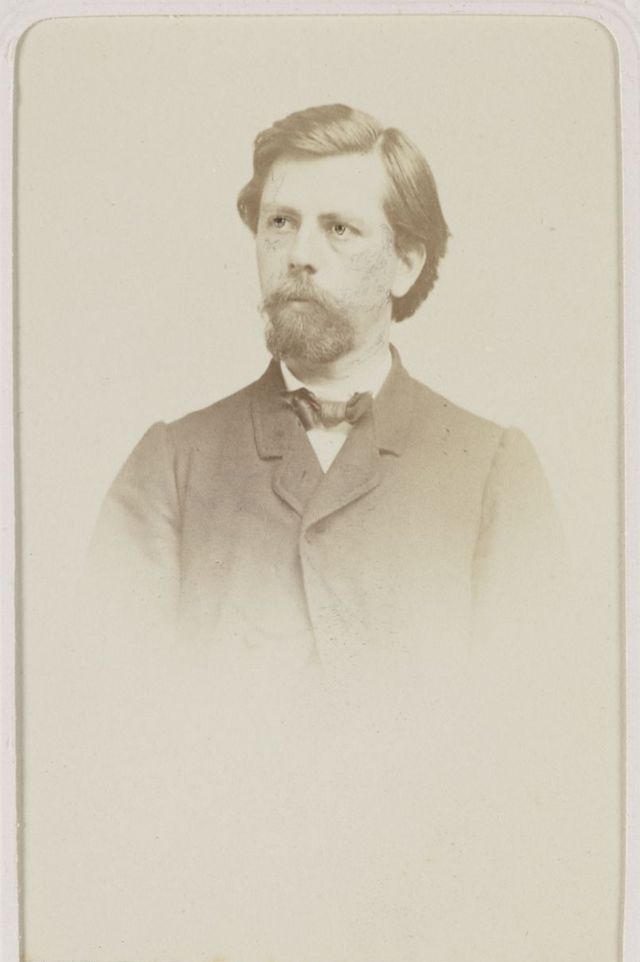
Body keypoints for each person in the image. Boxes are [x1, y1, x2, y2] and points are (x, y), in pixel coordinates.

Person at [86, 103, 564, 685]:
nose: (299, 255)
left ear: (405, 265)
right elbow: (113, 707)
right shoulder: (170, 467)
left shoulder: (493, 472)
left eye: (339, 229)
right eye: (280, 223)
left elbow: (529, 714)